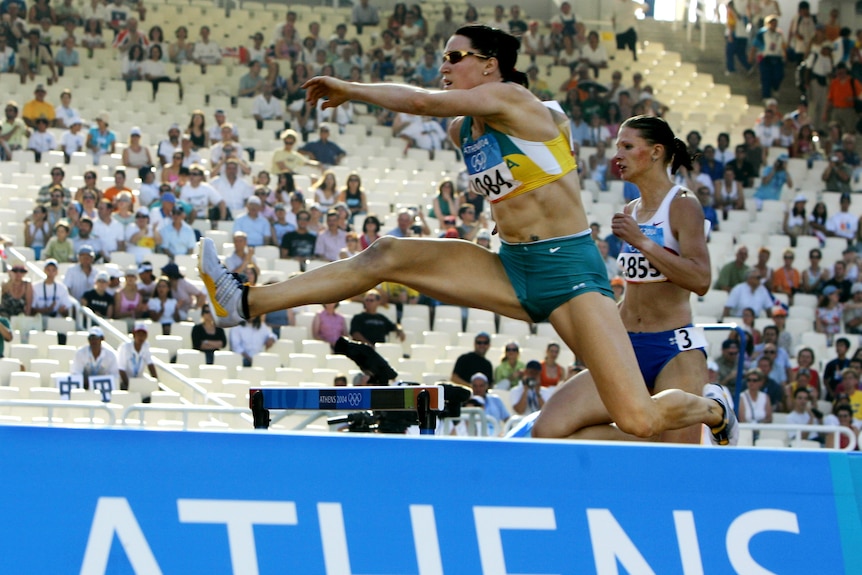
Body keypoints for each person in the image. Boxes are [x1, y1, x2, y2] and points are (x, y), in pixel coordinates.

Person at [198, 25, 737, 445]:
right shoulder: (467, 129)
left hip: (570, 274)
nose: (444, 67)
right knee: (386, 253)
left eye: (455, 58)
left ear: (490, 66)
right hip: (512, 267)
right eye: (443, 58)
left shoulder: (520, 104)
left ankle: (712, 408)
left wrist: (351, 89)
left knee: (638, 418)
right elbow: (473, 147)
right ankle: (243, 301)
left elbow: (424, 103)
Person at [539, 114, 714, 444]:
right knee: (549, 430)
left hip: (673, 347)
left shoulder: (683, 204)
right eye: (617, 146)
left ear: (656, 151)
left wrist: (643, 242)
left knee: (677, 461)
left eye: (627, 146)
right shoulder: (631, 210)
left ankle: (714, 409)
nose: (617, 155)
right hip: (626, 344)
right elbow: (636, 291)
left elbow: (701, 279)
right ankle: (650, 444)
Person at [71, 326, 120, 390]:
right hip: (84, 387)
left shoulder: (111, 355)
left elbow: (115, 376)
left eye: (96, 338)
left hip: (104, 388)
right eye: (91, 338)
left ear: (102, 339)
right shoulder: (80, 353)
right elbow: (76, 373)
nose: (93, 341)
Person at [117, 321, 157, 390]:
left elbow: (150, 364)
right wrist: (129, 386)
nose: (141, 337)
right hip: (123, 381)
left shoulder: (146, 346)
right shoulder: (125, 347)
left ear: (146, 336)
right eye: (139, 334)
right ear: (134, 334)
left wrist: (156, 382)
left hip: (138, 381)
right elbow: (121, 369)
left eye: (143, 334)